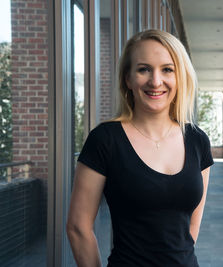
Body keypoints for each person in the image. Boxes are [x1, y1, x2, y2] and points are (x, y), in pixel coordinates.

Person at [66, 29, 214, 267]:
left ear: (180, 77)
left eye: (167, 69)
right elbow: (78, 227)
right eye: (144, 69)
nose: (156, 81)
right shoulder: (105, 139)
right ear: (128, 78)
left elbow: (190, 229)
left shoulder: (197, 140)